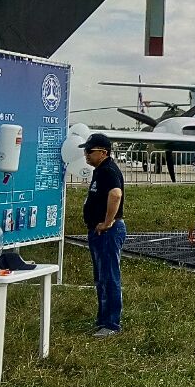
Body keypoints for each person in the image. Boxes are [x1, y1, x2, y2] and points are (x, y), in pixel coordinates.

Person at [81, 132, 126, 337]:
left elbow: (116, 194)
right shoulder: (100, 171)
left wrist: (107, 222)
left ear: (103, 152)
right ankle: (103, 320)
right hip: (99, 231)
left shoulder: (108, 171)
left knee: (109, 277)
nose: (86, 154)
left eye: (89, 151)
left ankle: (111, 324)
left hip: (108, 232)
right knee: (101, 277)